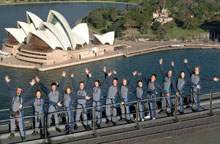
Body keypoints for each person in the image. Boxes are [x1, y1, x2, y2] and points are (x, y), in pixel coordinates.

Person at [5, 75, 35, 141]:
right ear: (16, 90)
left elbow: (27, 91)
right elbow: (10, 88)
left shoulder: (23, 96)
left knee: (21, 125)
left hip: (19, 113)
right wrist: (7, 82)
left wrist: (31, 85)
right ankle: (12, 133)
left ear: (21, 91)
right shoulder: (13, 94)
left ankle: (23, 136)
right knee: (12, 123)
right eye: (18, 90)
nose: (18, 91)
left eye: (20, 90)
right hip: (12, 112)